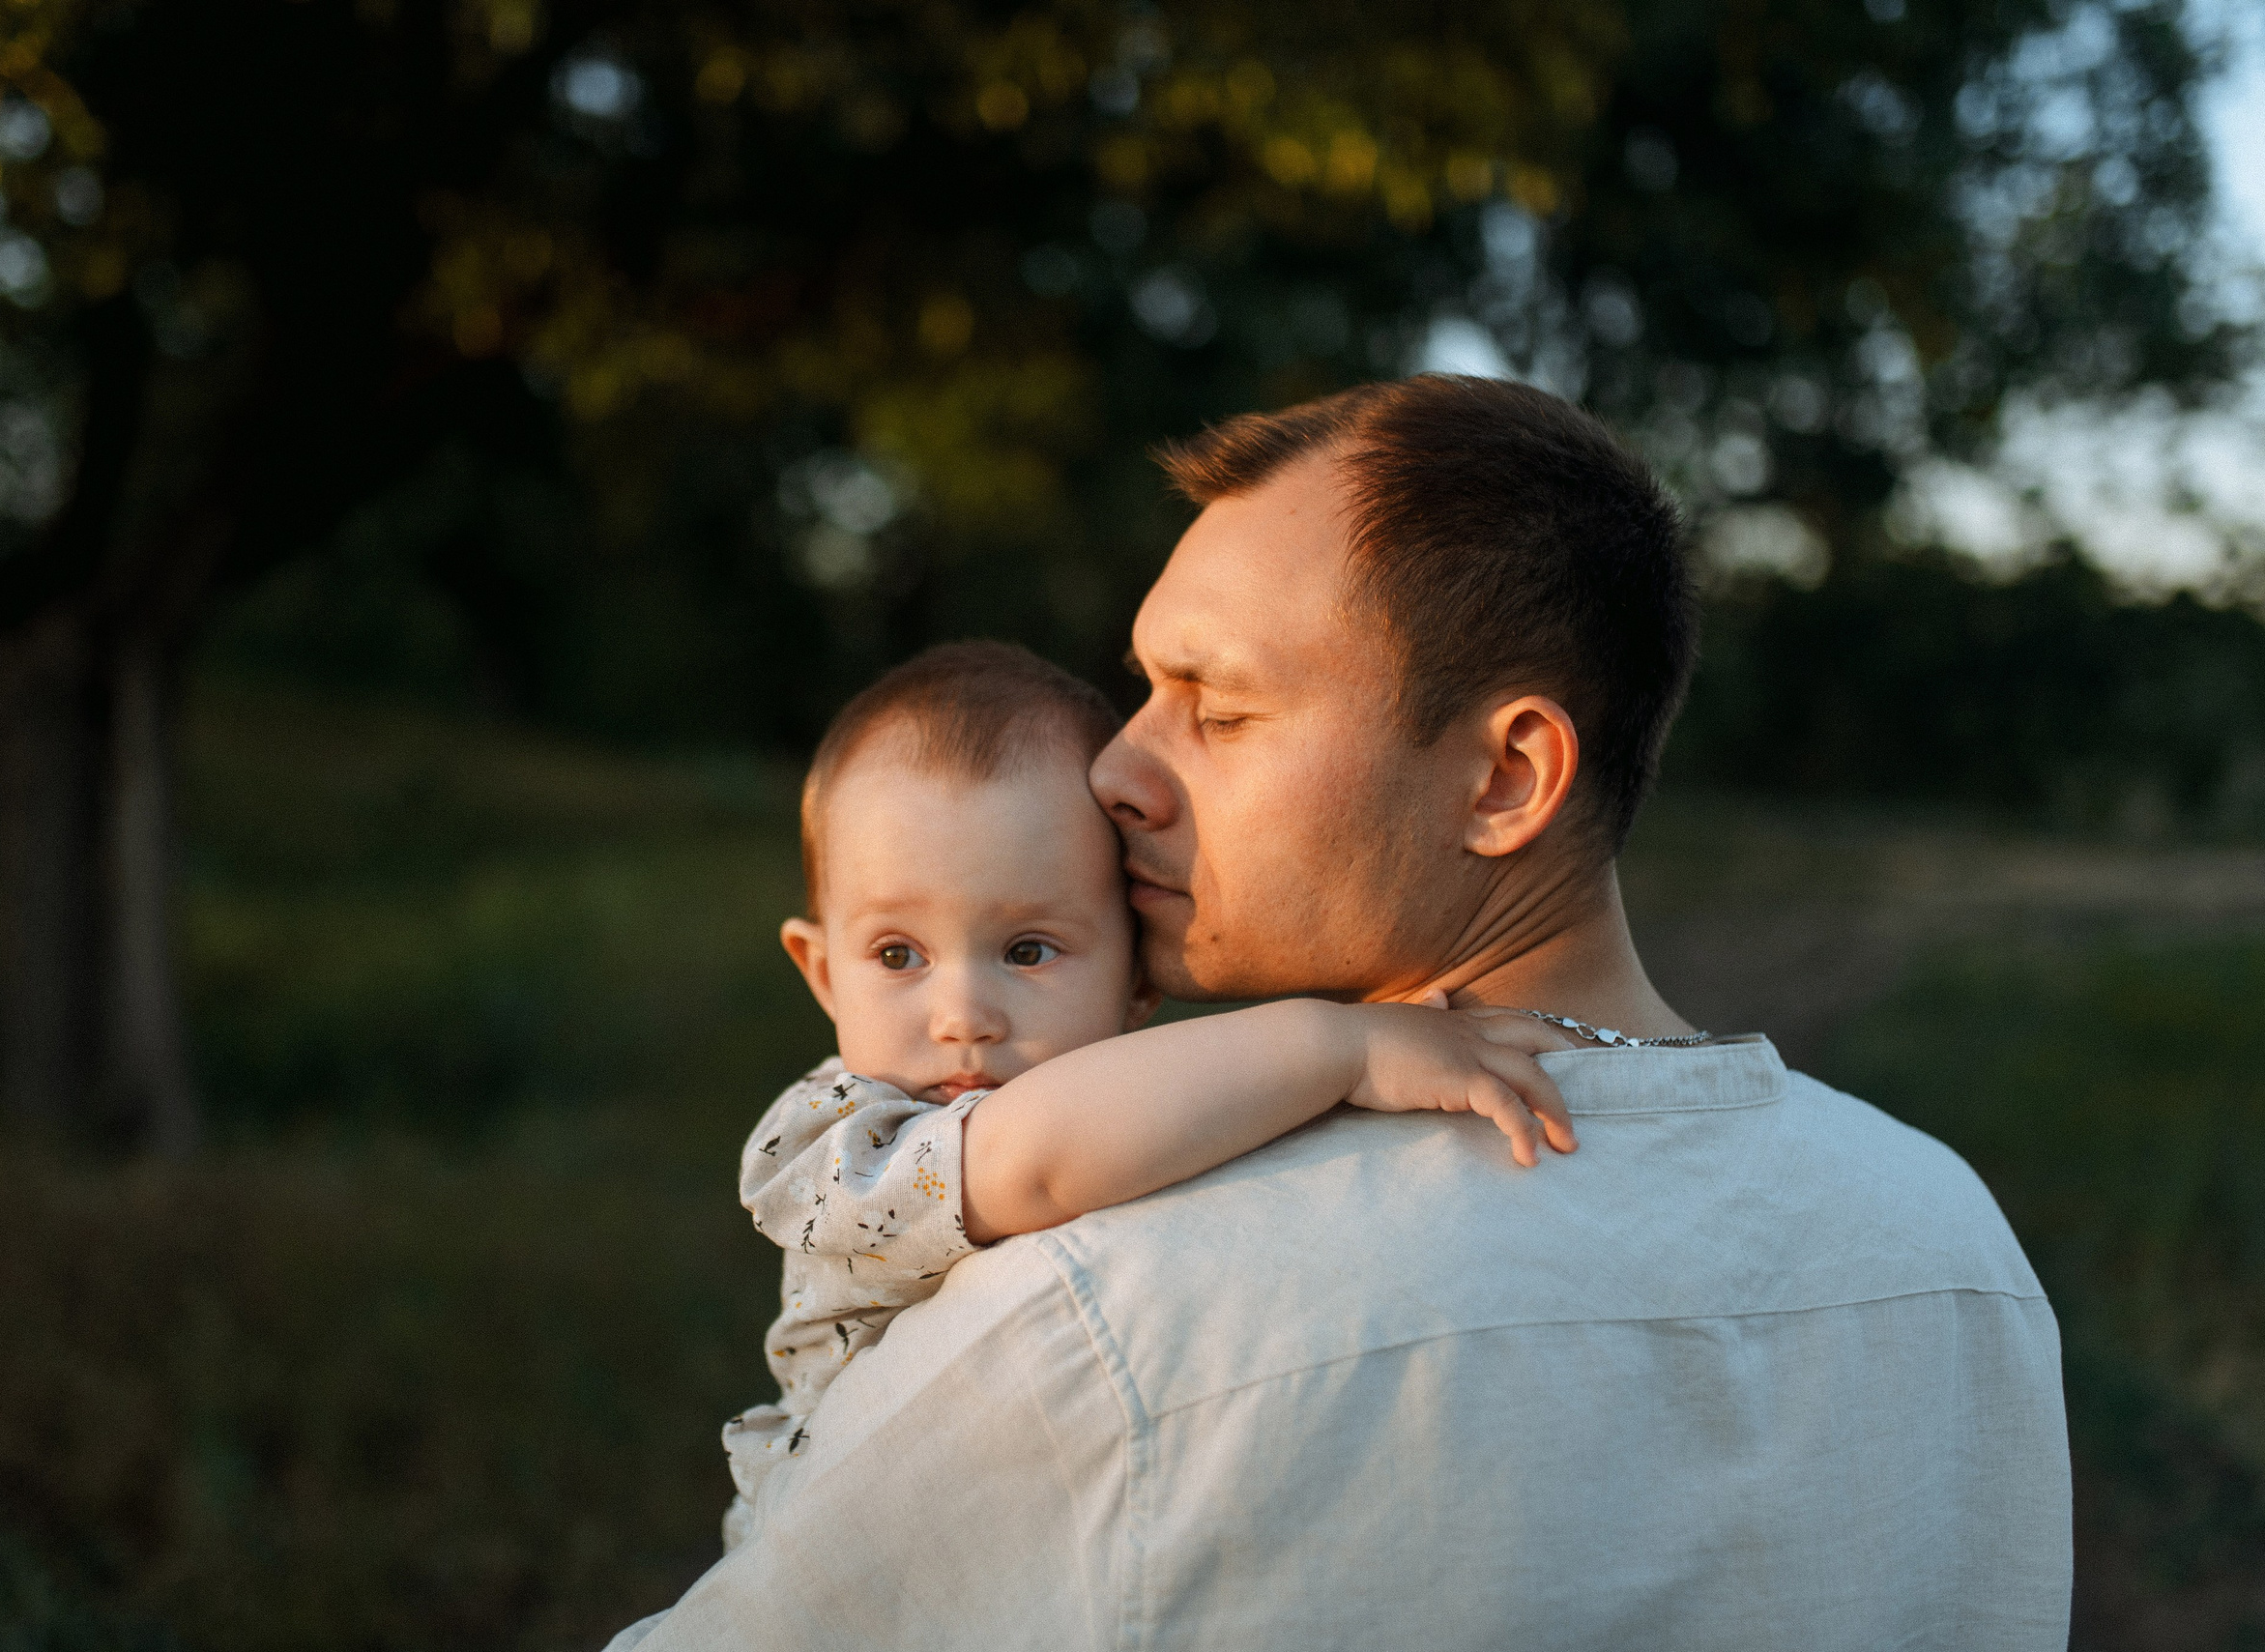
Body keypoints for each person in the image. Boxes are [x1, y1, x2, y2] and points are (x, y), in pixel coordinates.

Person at [607, 375, 2072, 1650]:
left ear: (1505, 776)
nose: (1116, 768)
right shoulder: (1958, 1251)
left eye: (1215, 706)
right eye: (1142, 688)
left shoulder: (1096, 1310)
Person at [719, 640, 1577, 1550]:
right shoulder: (833, 1147)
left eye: (1027, 951)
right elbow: (1032, 1158)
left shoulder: (1148, 1109)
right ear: (823, 972)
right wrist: (1343, 1047)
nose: (963, 1015)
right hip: (836, 1557)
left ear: (1136, 980)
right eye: (899, 955)